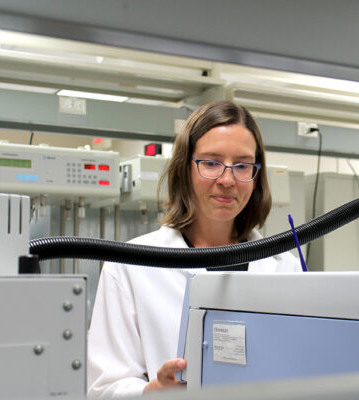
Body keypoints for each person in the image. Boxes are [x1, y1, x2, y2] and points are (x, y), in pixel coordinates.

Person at [87, 100, 301, 398]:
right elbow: (103, 389)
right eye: (211, 162)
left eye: (242, 165)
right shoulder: (130, 266)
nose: (227, 180)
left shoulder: (284, 268)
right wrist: (153, 391)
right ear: (184, 169)